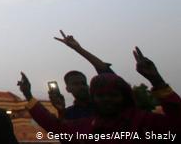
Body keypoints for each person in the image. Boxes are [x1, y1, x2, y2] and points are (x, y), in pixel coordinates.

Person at [18, 47, 180, 144]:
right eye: (101, 96)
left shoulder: (144, 122)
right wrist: (28, 95)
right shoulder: (89, 126)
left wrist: (156, 80)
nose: (106, 99)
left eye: (113, 94)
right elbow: (56, 129)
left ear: (124, 96)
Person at [50, 30, 115, 120]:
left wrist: (78, 48)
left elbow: (106, 72)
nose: (81, 86)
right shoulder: (69, 113)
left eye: (83, 83)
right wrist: (61, 111)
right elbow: (63, 132)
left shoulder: (104, 105)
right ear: (68, 89)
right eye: (76, 84)